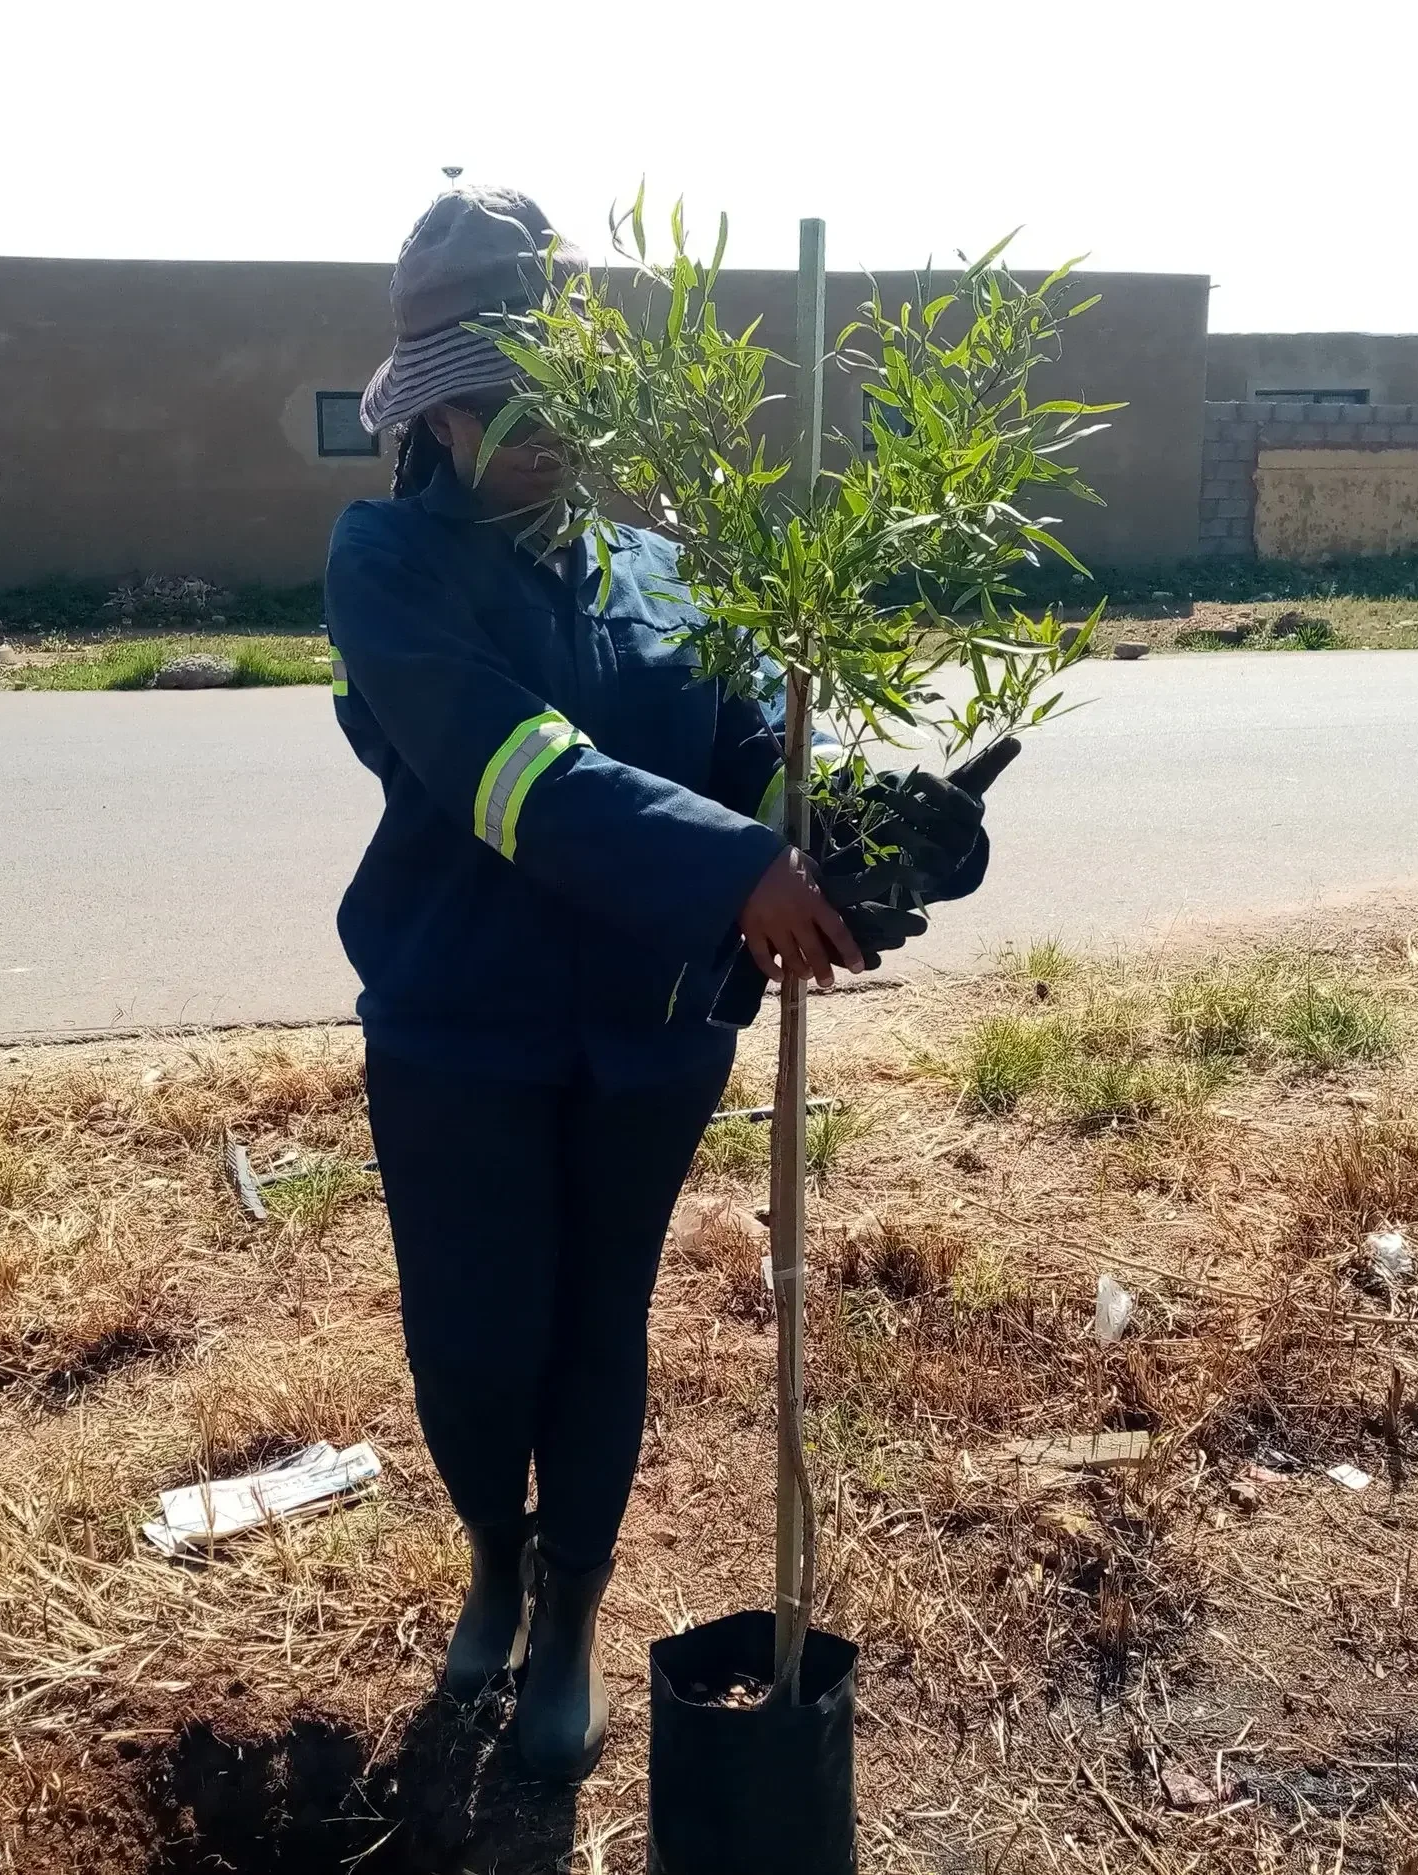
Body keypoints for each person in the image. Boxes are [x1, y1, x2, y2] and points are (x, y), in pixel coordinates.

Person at [323, 187, 996, 1782]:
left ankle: (568, 1610)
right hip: (460, 1030)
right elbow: (512, 771)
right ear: (444, 411)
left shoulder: (666, 568)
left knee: (595, 1331)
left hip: (647, 1034)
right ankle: (495, 1548)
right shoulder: (390, 563)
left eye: (568, 400)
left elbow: (752, 755)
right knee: (477, 1347)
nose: (548, 434)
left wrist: (853, 839)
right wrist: (729, 872)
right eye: (514, 403)